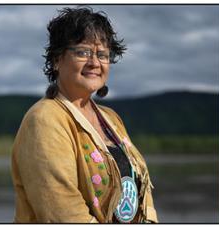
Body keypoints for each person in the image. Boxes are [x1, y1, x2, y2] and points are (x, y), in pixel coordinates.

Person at [11, 6, 158, 223]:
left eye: (102, 54)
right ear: (56, 59)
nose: (95, 62)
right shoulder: (44, 119)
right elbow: (62, 210)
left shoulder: (111, 118)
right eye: (83, 52)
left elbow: (141, 194)